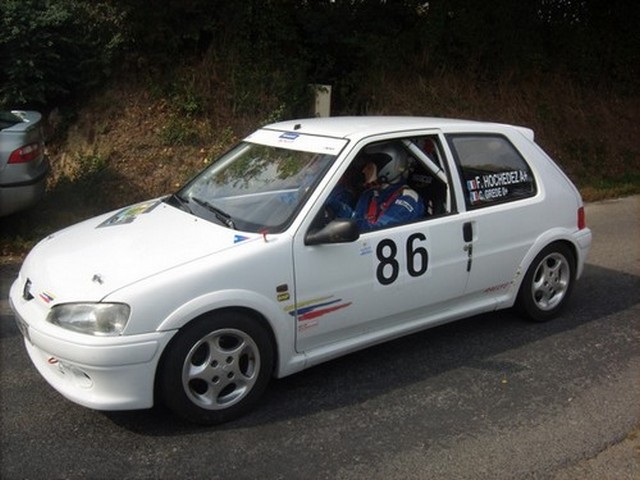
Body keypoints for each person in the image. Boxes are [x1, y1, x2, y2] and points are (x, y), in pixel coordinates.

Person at [328, 144, 425, 231]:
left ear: (387, 168)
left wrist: (342, 216)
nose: (364, 171)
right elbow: (356, 218)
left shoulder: (407, 199)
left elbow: (379, 231)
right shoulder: (369, 194)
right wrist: (337, 207)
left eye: (369, 167)